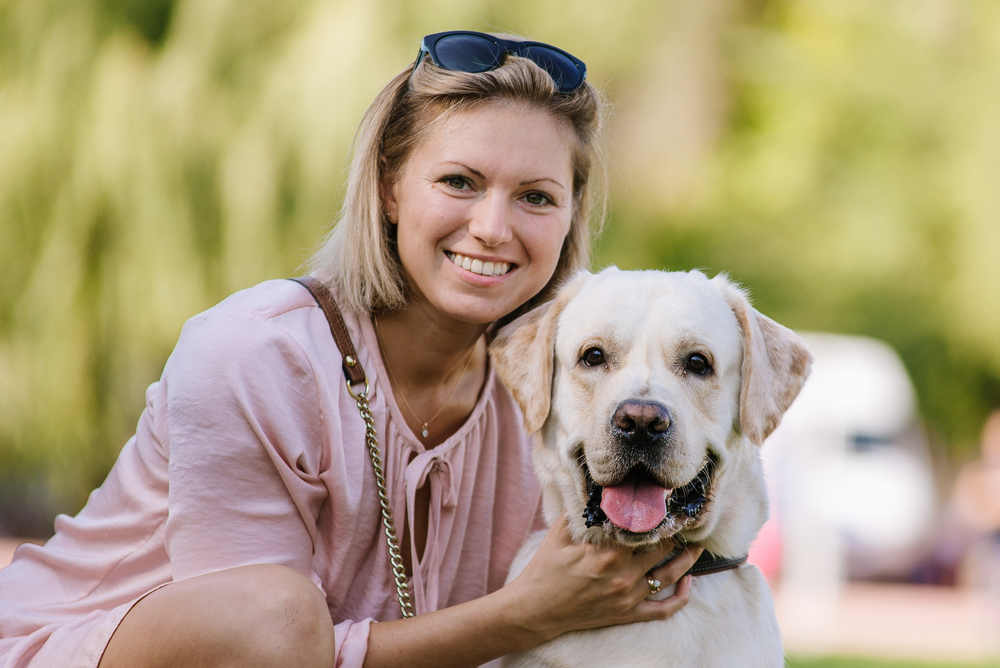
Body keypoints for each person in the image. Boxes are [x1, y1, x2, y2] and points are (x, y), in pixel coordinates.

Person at [0, 30, 702, 667]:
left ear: (571, 215)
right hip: (65, 653)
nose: (493, 227)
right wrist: (523, 616)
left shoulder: (559, 387)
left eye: (536, 197)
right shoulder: (257, 356)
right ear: (391, 188)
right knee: (274, 614)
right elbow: (270, 650)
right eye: (459, 182)